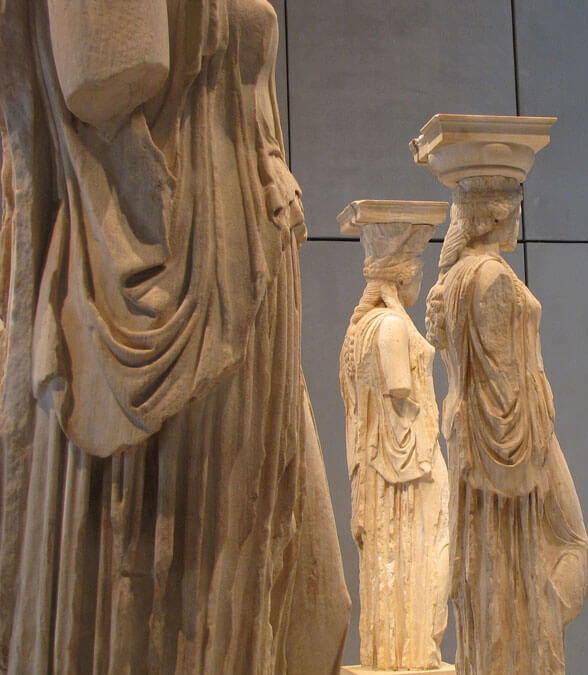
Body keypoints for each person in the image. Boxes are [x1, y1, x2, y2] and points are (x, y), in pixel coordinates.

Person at [0, 1, 349, 672]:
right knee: (162, 570)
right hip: (169, 268)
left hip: (243, 272)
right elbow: (103, 76)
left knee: (249, 565)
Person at [426, 175, 588, 675]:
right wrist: (528, 443)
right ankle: (530, 648)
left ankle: (523, 645)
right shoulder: (491, 278)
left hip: (488, 438)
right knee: (567, 544)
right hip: (517, 445)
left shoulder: (459, 276)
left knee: (508, 559)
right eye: (515, 206)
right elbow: (502, 388)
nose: (519, 217)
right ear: (497, 213)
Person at [339, 219, 449, 670]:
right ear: (403, 277)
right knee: (425, 549)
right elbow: (400, 388)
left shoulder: (360, 328)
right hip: (407, 465)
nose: (420, 281)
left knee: (397, 556)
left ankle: (401, 651)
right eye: (417, 273)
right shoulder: (389, 328)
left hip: (382, 466)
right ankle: (413, 651)